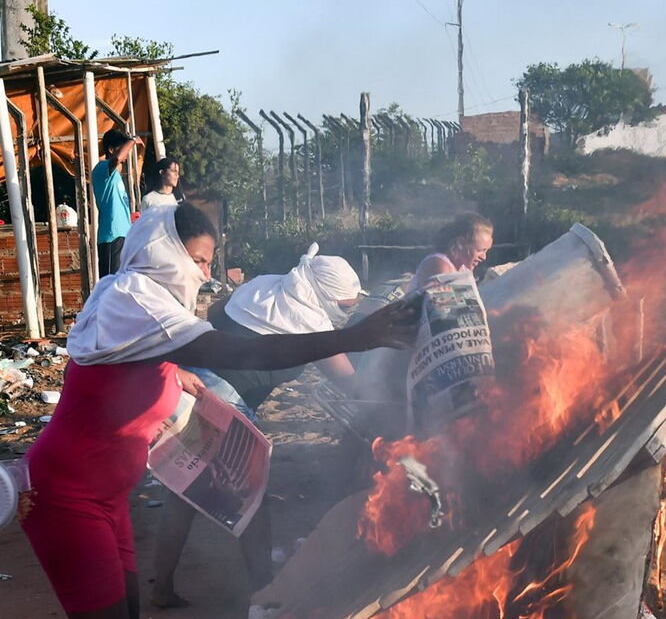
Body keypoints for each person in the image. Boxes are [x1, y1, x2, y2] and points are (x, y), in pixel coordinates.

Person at [20, 203, 415, 619]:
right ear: (162, 251)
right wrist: (353, 338)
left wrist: (176, 376)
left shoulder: (135, 301)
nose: (206, 275)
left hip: (107, 496)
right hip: (66, 495)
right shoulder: (139, 304)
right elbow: (249, 351)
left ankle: (214, 586)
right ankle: (265, 587)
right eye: (198, 260)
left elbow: (127, 361)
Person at [151, 243, 363, 607]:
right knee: (251, 500)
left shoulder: (265, 286)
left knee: (183, 495)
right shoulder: (309, 325)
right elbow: (352, 383)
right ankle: (266, 591)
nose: (347, 313)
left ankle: (161, 590)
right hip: (222, 401)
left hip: (186, 387)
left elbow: (218, 312)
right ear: (325, 295)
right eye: (345, 306)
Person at [92, 129, 141, 276]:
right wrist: (132, 140)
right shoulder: (101, 168)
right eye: (123, 148)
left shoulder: (116, 177)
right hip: (111, 236)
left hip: (124, 236)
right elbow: (118, 158)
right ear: (111, 149)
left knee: (122, 285)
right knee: (110, 287)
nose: (127, 154)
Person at [414, 212, 494, 288]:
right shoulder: (439, 263)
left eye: (486, 251)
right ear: (461, 243)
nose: (484, 257)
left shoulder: (464, 268)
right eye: (479, 250)